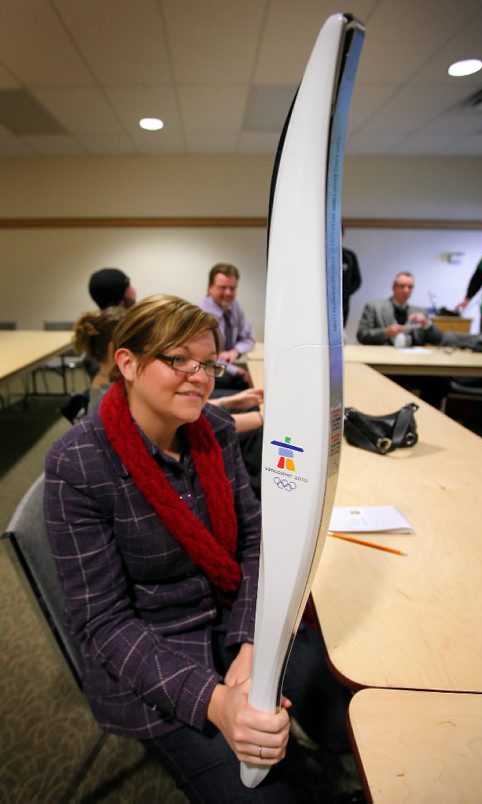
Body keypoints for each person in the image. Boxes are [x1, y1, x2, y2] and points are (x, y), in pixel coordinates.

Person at [44, 295, 349, 802]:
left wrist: (252, 642)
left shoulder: (215, 432)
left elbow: (255, 541)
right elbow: (104, 625)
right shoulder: (78, 465)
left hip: (232, 617)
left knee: (346, 717)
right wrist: (215, 703)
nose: (200, 376)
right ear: (127, 363)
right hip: (155, 652)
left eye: (207, 363)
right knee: (267, 794)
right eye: (177, 359)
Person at [72, 306, 264, 434]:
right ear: (125, 359)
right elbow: (189, 425)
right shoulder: (108, 408)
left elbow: (177, 406)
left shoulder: (115, 386)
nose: (201, 378)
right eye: (179, 359)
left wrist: (227, 402)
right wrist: (259, 418)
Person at [199, 263, 255, 393]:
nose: (228, 293)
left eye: (232, 288)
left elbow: (248, 338)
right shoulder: (202, 315)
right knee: (242, 383)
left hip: (226, 363)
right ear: (210, 288)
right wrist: (236, 371)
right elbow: (204, 358)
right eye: (223, 287)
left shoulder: (234, 307)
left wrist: (235, 351)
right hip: (209, 367)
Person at [356, 272, 445, 346]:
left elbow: (438, 339)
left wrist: (427, 324)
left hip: (413, 360)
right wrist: (385, 332)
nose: (406, 290)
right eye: (402, 286)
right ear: (394, 287)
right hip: (382, 357)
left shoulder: (420, 313)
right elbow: (361, 335)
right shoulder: (374, 307)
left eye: (410, 287)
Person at [341, 226, 362, 324]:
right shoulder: (319, 254)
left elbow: (357, 281)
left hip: (343, 303)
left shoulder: (349, 256)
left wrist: (344, 293)